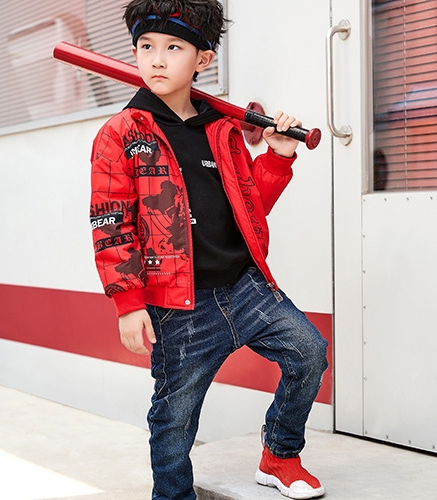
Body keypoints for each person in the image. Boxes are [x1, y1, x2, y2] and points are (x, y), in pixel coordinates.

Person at [90, 1, 328, 499]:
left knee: (309, 352)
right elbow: (111, 224)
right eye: (146, 46)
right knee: (175, 417)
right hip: (179, 306)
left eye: (173, 48)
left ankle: (280, 454)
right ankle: (172, 494)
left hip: (245, 286)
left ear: (203, 59)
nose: (157, 59)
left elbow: (249, 207)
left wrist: (278, 157)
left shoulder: (222, 128)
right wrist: (127, 303)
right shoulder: (122, 134)